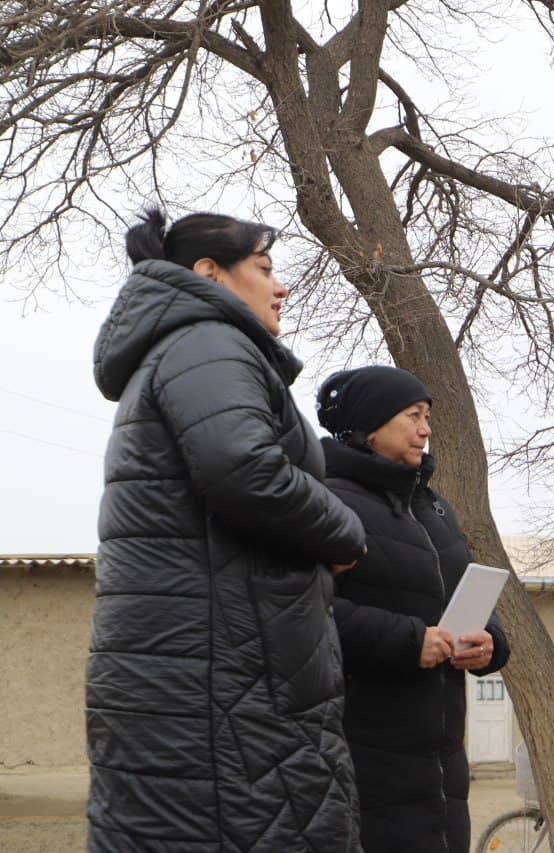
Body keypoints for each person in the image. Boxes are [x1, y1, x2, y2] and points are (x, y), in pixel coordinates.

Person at [88, 209, 366, 851]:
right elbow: (241, 464)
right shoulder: (207, 339)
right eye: (265, 268)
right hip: (226, 684)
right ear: (209, 273)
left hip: (212, 674)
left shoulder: (181, 346)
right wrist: (343, 532)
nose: (281, 286)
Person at [316, 365, 509, 853]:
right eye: (412, 415)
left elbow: (460, 593)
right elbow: (301, 612)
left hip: (443, 767)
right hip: (361, 758)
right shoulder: (326, 501)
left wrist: (489, 640)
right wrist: (407, 642)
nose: (425, 429)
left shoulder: (433, 507)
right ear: (370, 425)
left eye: (426, 416)